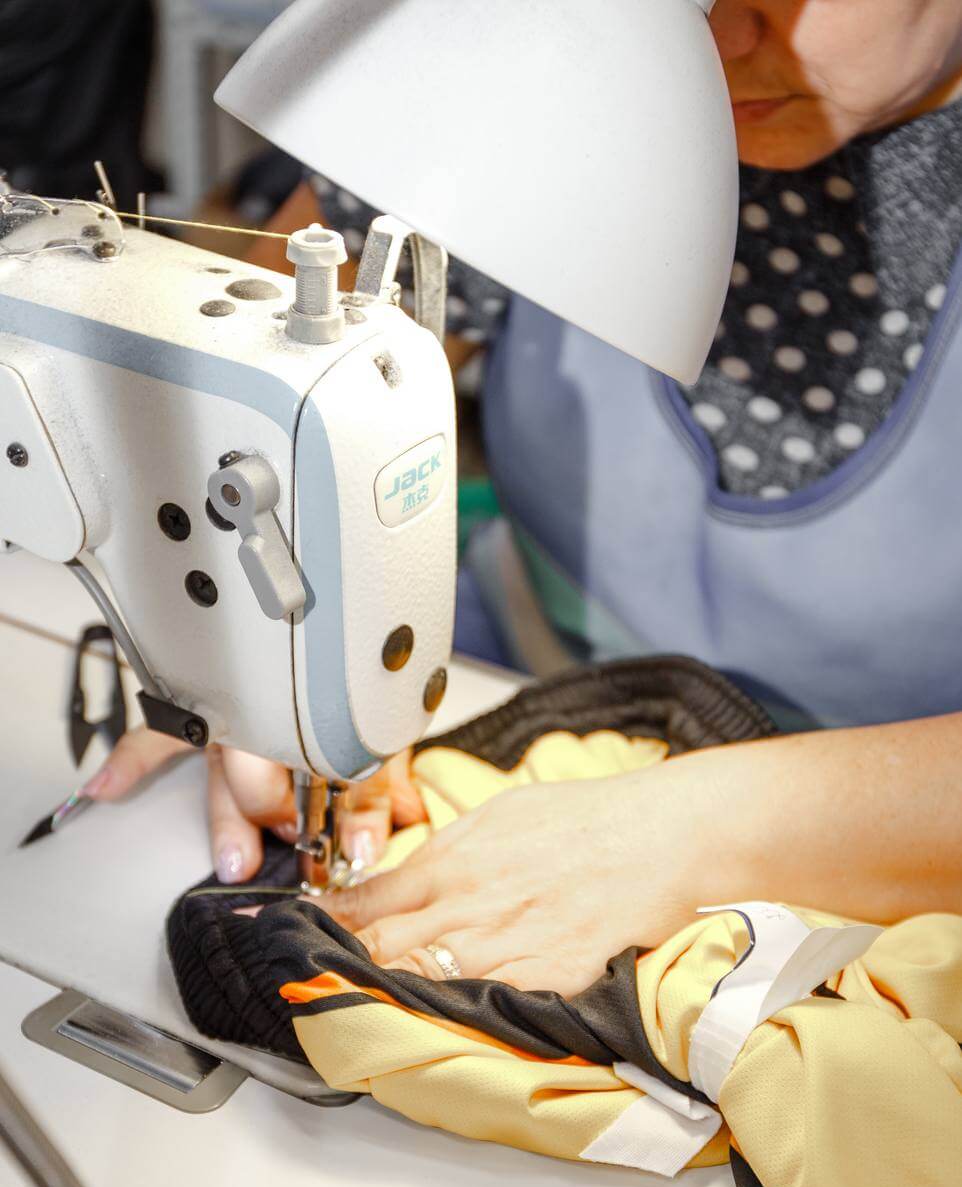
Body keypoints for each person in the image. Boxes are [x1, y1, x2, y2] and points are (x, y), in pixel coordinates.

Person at [86, 0, 962, 996]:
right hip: (501, 686)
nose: (711, 36)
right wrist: (239, 646)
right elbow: (245, 415)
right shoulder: (551, 80)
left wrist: (708, 829)